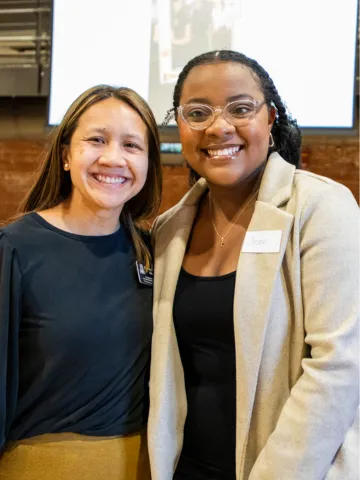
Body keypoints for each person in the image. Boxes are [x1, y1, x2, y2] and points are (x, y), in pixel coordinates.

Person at [147, 50, 359, 480]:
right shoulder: (169, 231)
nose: (220, 126)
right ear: (181, 127)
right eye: (198, 112)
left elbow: (338, 365)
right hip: (186, 467)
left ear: (270, 119)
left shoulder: (321, 206)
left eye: (241, 108)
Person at [0, 84, 162, 479]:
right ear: (66, 156)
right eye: (96, 140)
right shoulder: (15, 248)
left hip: (142, 465)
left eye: (131, 145)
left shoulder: (153, 250)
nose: (113, 158)